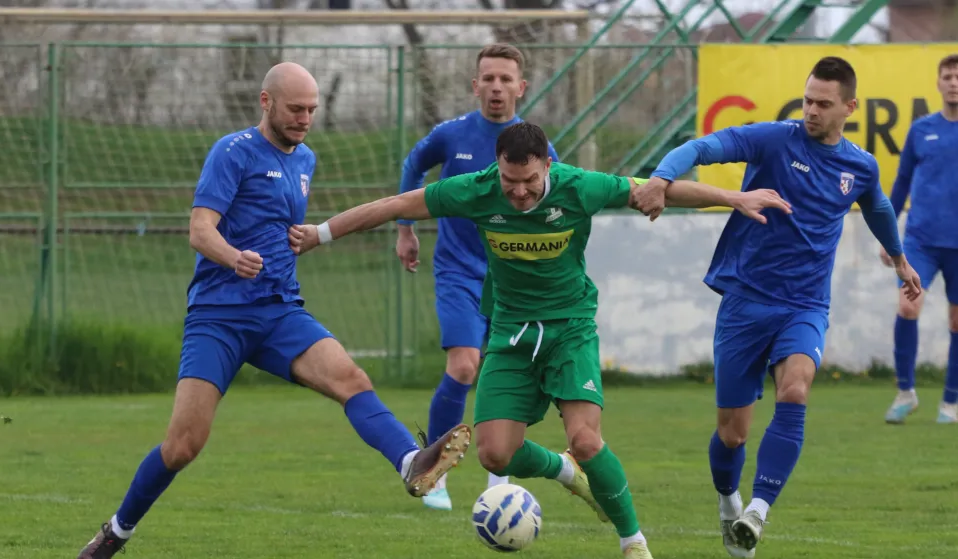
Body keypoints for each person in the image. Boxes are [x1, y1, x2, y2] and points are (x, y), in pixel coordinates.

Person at [288, 121, 792, 559]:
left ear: (548, 165)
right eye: (510, 181)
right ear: (497, 169)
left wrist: (733, 197)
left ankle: (632, 539)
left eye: (529, 181)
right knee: (494, 456)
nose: (520, 193)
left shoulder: (581, 187)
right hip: (510, 333)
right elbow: (398, 203)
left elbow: (661, 189)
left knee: (587, 439)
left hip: (570, 328)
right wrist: (321, 234)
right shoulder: (476, 189)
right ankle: (562, 471)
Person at [76, 62, 471, 559]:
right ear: (266, 103)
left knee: (351, 378)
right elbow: (201, 230)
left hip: (280, 311)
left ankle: (411, 462)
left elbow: (278, 229)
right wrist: (232, 256)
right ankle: (116, 532)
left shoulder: (306, 159)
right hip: (219, 317)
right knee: (182, 446)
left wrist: (304, 240)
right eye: (295, 109)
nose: (305, 118)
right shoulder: (232, 152)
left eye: (312, 109)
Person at [632, 56, 922, 557]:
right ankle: (729, 501)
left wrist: (898, 259)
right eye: (807, 99)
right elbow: (703, 147)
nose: (810, 110)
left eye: (823, 103)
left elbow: (876, 207)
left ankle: (758, 512)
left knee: (796, 388)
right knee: (732, 434)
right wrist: (661, 177)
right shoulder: (772, 139)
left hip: (805, 304)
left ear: (849, 108)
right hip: (746, 301)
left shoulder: (860, 165)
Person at [395, 43, 558, 511]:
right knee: (465, 366)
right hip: (458, 271)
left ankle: (497, 484)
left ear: (521, 87)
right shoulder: (452, 135)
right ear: (475, 85)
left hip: (511, 280)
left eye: (506, 79)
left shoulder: (537, 144)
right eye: (488, 78)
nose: (496, 87)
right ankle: (434, 470)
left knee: (503, 375)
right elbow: (413, 167)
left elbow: (560, 198)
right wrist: (406, 230)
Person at [883, 53, 958, 425]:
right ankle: (905, 392)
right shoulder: (921, 130)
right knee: (908, 307)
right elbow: (901, 183)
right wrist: (888, 232)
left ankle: (951, 402)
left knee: (957, 321)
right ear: (938, 82)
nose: (954, 82)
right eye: (947, 76)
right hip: (922, 241)